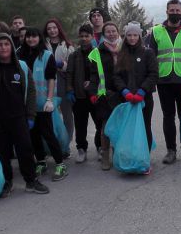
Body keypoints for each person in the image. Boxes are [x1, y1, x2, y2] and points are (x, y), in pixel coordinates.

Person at [0, 33, 49, 197]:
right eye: (0, 45)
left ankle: (30, 180)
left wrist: (30, 115)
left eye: (7, 44)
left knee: (26, 150)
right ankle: (7, 181)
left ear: (11, 47)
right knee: (2, 153)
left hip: (19, 118)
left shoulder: (21, 66)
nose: (3, 47)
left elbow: (32, 92)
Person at [149, 0, 181, 164]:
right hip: (164, 80)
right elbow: (150, 57)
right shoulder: (156, 31)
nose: (175, 13)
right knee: (168, 116)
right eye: (172, 10)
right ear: (167, 12)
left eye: (177, 10)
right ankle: (171, 150)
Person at [17, 27, 69, 181]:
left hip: (42, 103)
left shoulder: (47, 56)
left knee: (47, 133)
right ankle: (40, 161)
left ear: (39, 38)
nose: (31, 39)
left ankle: (60, 163)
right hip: (26, 104)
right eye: (28, 37)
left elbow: (51, 78)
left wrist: (49, 99)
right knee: (33, 135)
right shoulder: (20, 55)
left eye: (34, 37)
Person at [113, 22, 159, 173]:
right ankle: (129, 157)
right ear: (125, 37)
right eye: (129, 35)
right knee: (127, 129)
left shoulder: (148, 53)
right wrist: (124, 91)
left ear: (140, 36)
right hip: (126, 99)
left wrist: (142, 91)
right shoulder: (121, 54)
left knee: (144, 128)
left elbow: (153, 74)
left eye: (135, 35)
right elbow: (116, 76)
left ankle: (144, 159)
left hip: (143, 99)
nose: (132, 38)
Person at [87, 22, 123, 170]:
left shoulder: (125, 48)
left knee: (120, 126)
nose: (111, 34)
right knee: (106, 127)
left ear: (118, 32)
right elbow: (94, 75)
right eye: (108, 32)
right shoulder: (97, 52)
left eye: (113, 31)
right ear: (103, 34)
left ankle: (118, 154)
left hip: (122, 93)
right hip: (104, 95)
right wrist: (92, 93)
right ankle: (105, 157)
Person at [66, 24, 102, 163]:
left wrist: (93, 85)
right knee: (80, 125)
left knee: (99, 123)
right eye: (81, 36)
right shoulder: (74, 55)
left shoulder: (97, 53)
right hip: (79, 96)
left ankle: (100, 147)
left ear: (92, 37)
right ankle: (81, 149)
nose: (84, 38)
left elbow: (100, 73)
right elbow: (69, 73)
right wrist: (69, 90)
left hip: (94, 95)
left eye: (87, 36)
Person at [44, 18, 75, 155]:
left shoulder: (67, 46)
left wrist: (63, 65)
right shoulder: (42, 45)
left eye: (54, 28)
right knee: (49, 115)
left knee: (67, 115)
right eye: (49, 28)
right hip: (46, 82)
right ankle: (50, 145)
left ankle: (66, 145)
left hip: (63, 81)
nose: (52, 30)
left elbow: (73, 67)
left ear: (59, 29)